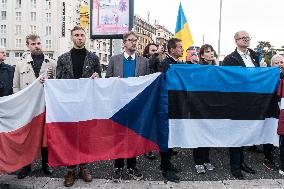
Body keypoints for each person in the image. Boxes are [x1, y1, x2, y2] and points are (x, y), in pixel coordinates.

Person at [56, 26, 101, 187]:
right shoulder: (62, 58)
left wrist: (96, 77)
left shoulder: (93, 58)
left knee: (85, 137)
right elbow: (58, 82)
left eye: (82, 35)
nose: (80, 38)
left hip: (86, 105)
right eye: (76, 35)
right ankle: (70, 170)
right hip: (69, 105)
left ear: (85, 38)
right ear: (71, 37)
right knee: (69, 137)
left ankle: (83, 167)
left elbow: (100, 81)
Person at [106, 31, 149, 182]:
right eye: (130, 40)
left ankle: (132, 166)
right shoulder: (114, 59)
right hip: (119, 105)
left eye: (135, 40)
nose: (134, 43)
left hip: (136, 106)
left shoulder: (144, 61)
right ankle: (118, 167)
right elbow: (107, 80)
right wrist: (113, 80)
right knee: (118, 136)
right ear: (124, 43)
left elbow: (147, 83)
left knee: (133, 136)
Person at [13, 34, 55, 179]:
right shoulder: (20, 65)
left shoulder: (51, 63)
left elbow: (56, 85)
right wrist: (21, 105)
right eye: (33, 44)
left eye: (38, 43)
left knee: (45, 137)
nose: (37, 46)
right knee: (27, 137)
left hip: (45, 106)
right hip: (28, 108)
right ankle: (26, 166)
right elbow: (16, 87)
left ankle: (46, 164)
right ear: (28, 46)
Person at [222, 30, 257, 179]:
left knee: (245, 133)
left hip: (252, 101)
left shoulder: (254, 55)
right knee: (236, 134)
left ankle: (242, 163)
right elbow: (229, 80)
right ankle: (235, 166)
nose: (246, 40)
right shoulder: (230, 59)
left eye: (248, 38)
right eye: (243, 38)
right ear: (236, 40)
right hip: (237, 102)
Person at [158, 38, 184, 183]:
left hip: (175, 104)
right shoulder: (165, 64)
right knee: (165, 135)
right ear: (172, 49)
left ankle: (166, 163)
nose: (182, 49)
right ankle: (165, 168)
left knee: (171, 135)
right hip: (167, 104)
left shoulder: (177, 63)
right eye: (180, 47)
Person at [193, 44, 216, 174]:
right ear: (202, 55)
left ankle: (206, 159)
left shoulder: (217, 69)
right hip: (199, 105)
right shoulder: (198, 69)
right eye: (207, 52)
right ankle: (198, 161)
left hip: (212, 106)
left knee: (208, 133)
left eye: (212, 51)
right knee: (199, 133)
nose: (211, 53)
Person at [142, 43, 158, 160]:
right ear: (147, 52)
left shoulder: (158, 61)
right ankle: (147, 148)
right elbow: (150, 65)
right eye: (153, 51)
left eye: (156, 51)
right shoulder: (145, 62)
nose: (155, 53)